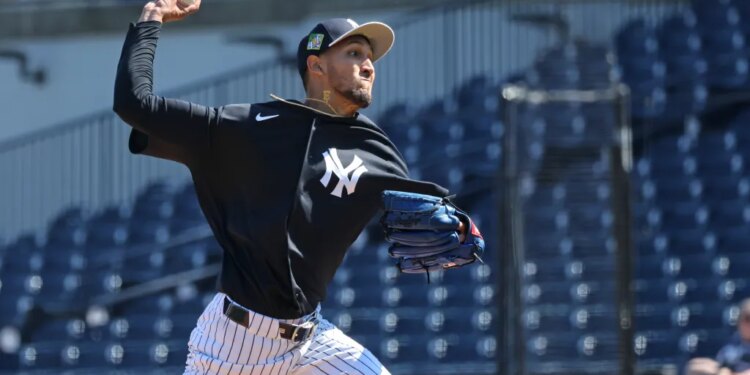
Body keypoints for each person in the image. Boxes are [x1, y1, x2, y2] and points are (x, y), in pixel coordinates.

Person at [112, 0, 478, 373]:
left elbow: (423, 207)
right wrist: (152, 16)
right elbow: (134, 103)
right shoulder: (246, 127)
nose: (368, 66)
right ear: (316, 65)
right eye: (354, 53)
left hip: (312, 338)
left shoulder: (375, 148)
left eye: (370, 58)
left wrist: (461, 226)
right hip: (236, 345)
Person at [685, 299, 750, 375]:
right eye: (744, 318)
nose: (746, 323)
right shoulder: (735, 340)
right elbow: (725, 363)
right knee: (694, 367)